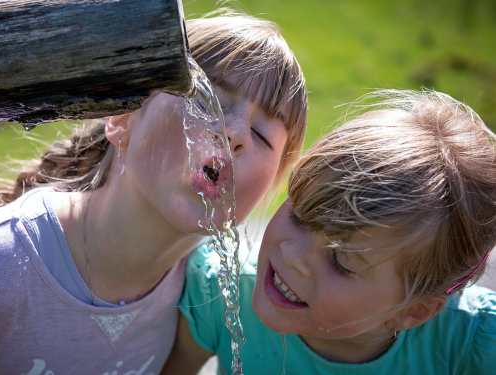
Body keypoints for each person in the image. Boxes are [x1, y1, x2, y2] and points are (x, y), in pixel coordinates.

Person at [0, 11, 307, 374]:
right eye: (209, 102)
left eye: (261, 135)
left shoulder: (204, 296)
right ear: (121, 119)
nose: (234, 134)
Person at [165, 89, 496, 374]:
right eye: (300, 217)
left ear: (411, 312)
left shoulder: (472, 346)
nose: (293, 256)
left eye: (340, 261)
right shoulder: (220, 295)